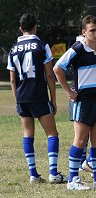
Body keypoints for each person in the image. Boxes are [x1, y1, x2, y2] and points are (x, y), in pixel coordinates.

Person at [53, 15, 96, 190]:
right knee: (80, 140)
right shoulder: (77, 49)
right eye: (92, 30)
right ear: (84, 32)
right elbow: (57, 68)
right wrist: (69, 91)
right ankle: (73, 181)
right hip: (83, 100)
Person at [7, 13, 67, 184]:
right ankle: (53, 173)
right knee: (52, 134)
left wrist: (17, 98)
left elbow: (12, 79)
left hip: (22, 97)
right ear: (35, 27)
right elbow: (49, 74)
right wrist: (53, 99)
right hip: (39, 95)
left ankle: (33, 174)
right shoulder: (41, 45)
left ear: (20, 29)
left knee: (28, 134)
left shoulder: (13, 49)